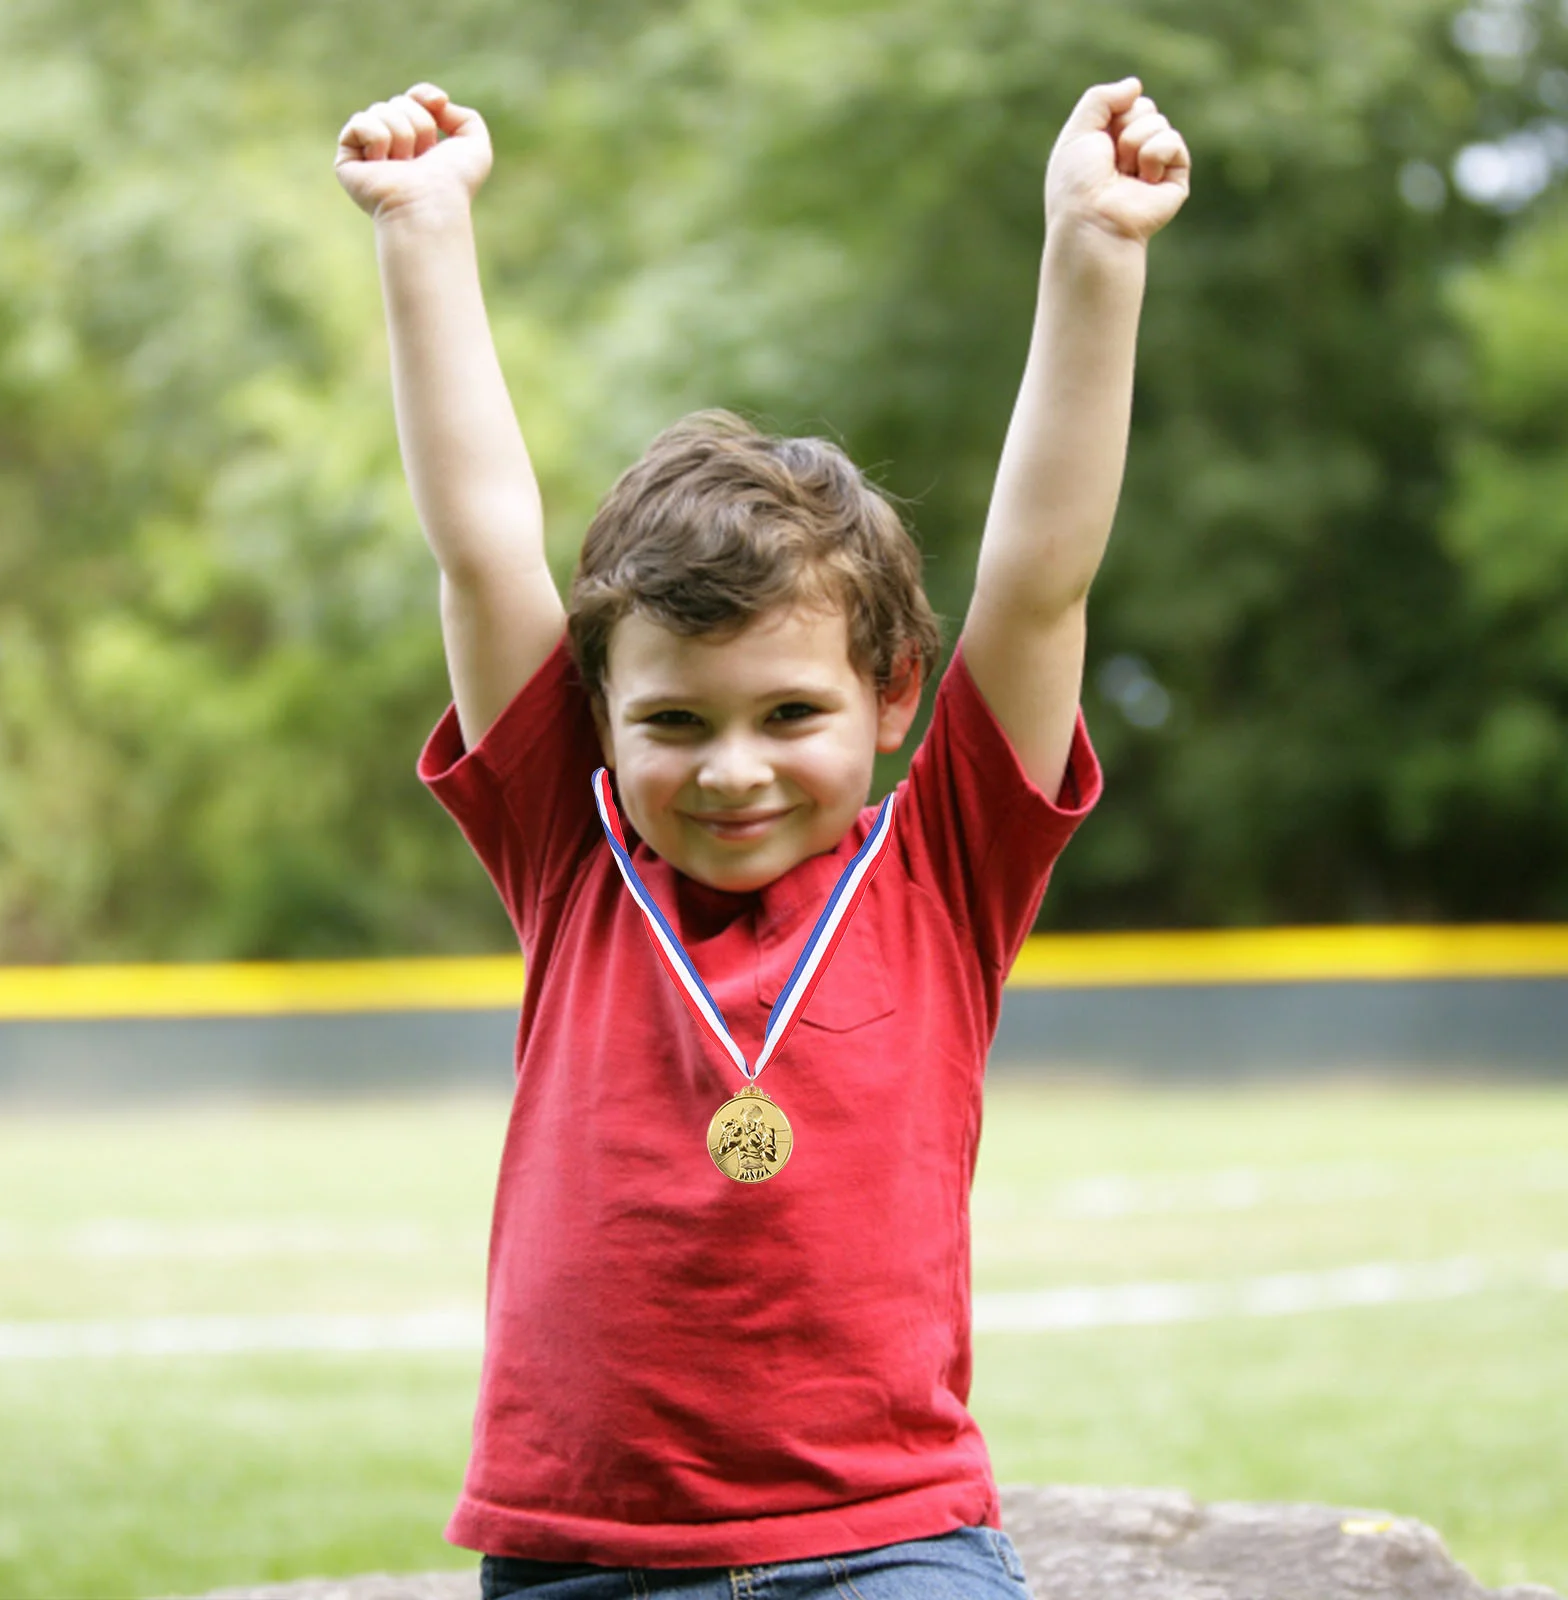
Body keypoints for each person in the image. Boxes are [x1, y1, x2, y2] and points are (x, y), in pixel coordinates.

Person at [336, 72, 1189, 1600]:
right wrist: (422, 229)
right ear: (598, 718)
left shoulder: (948, 864)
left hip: (888, 1547)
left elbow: (1045, 573)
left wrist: (1093, 249)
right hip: (577, 1553)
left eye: (789, 716)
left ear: (889, 697)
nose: (733, 771)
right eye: (675, 723)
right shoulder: (572, 856)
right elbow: (478, 547)